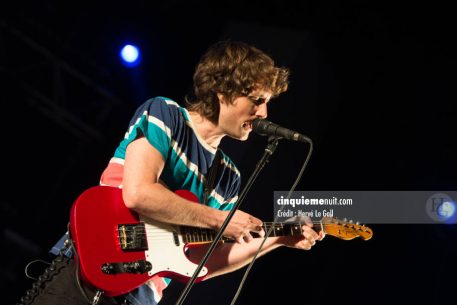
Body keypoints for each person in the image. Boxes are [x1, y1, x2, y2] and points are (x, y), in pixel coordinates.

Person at [18, 40, 324, 305]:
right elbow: (139, 193)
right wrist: (221, 220)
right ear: (222, 90)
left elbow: (202, 260)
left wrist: (277, 239)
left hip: (142, 294)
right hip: (88, 266)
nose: (264, 113)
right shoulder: (166, 114)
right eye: (257, 100)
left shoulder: (229, 177)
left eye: (267, 103)